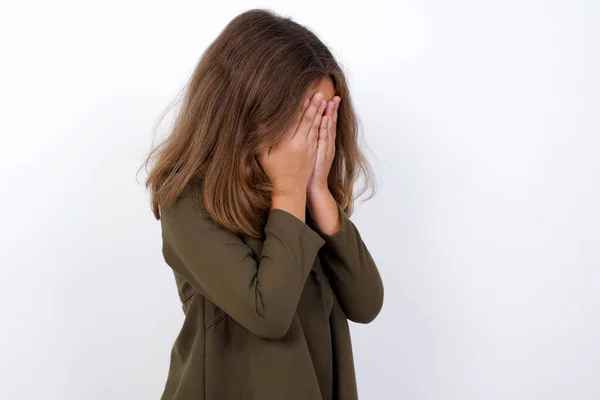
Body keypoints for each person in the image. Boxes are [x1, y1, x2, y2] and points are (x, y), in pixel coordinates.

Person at [142, 8, 384, 400]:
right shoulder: (187, 204)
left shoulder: (306, 202)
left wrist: (318, 192)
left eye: (324, 118)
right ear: (249, 110)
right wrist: (289, 187)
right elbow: (267, 313)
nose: (314, 135)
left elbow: (366, 303)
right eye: (305, 119)